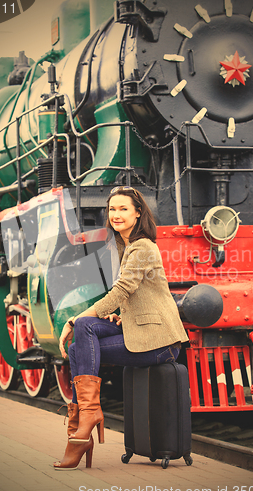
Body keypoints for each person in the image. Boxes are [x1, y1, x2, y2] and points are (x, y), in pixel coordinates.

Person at [53, 186, 189, 470]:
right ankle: (86, 419)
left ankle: (83, 425)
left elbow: (121, 291)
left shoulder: (142, 247)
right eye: (112, 209)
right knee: (84, 332)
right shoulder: (125, 246)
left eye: (123, 209)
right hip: (140, 329)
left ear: (138, 213)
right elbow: (134, 299)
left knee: (80, 338)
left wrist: (71, 319)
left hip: (160, 343)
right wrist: (120, 317)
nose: (116, 214)